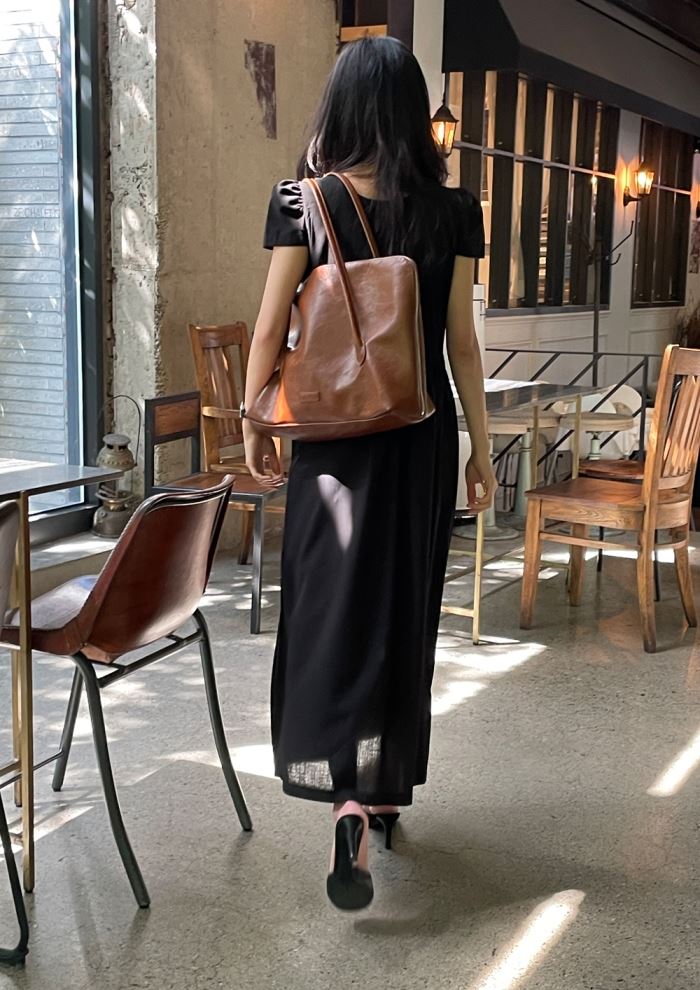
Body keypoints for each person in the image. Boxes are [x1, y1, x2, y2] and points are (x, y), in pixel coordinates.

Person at [242, 36, 495, 911]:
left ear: (339, 109)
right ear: (414, 116)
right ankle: (382, 792)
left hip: (333, 441)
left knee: (329, 612)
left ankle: (343, 795)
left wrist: (255, 420)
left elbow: (269, 328)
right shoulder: (454, 212)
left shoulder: (304, 203)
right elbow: (462, 345)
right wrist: (482, 451)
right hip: (421, 437)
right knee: (400, 609)